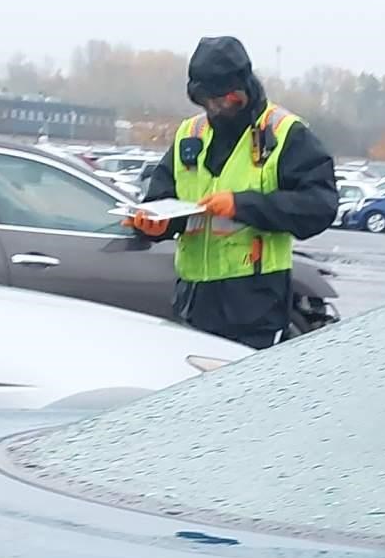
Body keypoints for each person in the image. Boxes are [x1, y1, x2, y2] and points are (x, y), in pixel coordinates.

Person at [125, 37, 338, 350]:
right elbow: (164, 199)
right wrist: (155, 225)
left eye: (225, 99)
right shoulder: (190, 134)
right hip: (194, 303)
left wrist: (242, 205)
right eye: (208, 101)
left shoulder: (283, 134)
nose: (217, 107)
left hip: (255, 307)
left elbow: (319, 206)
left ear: (244, 87)